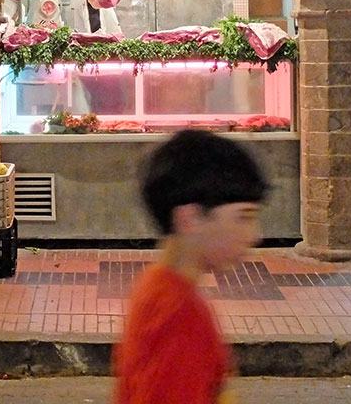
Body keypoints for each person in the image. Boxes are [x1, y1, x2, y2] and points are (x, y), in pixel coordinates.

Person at [113, 130, 268, 404]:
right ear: (190, 218)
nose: (255, 235)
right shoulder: (179, 314)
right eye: (243, 217)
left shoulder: (156, 287)